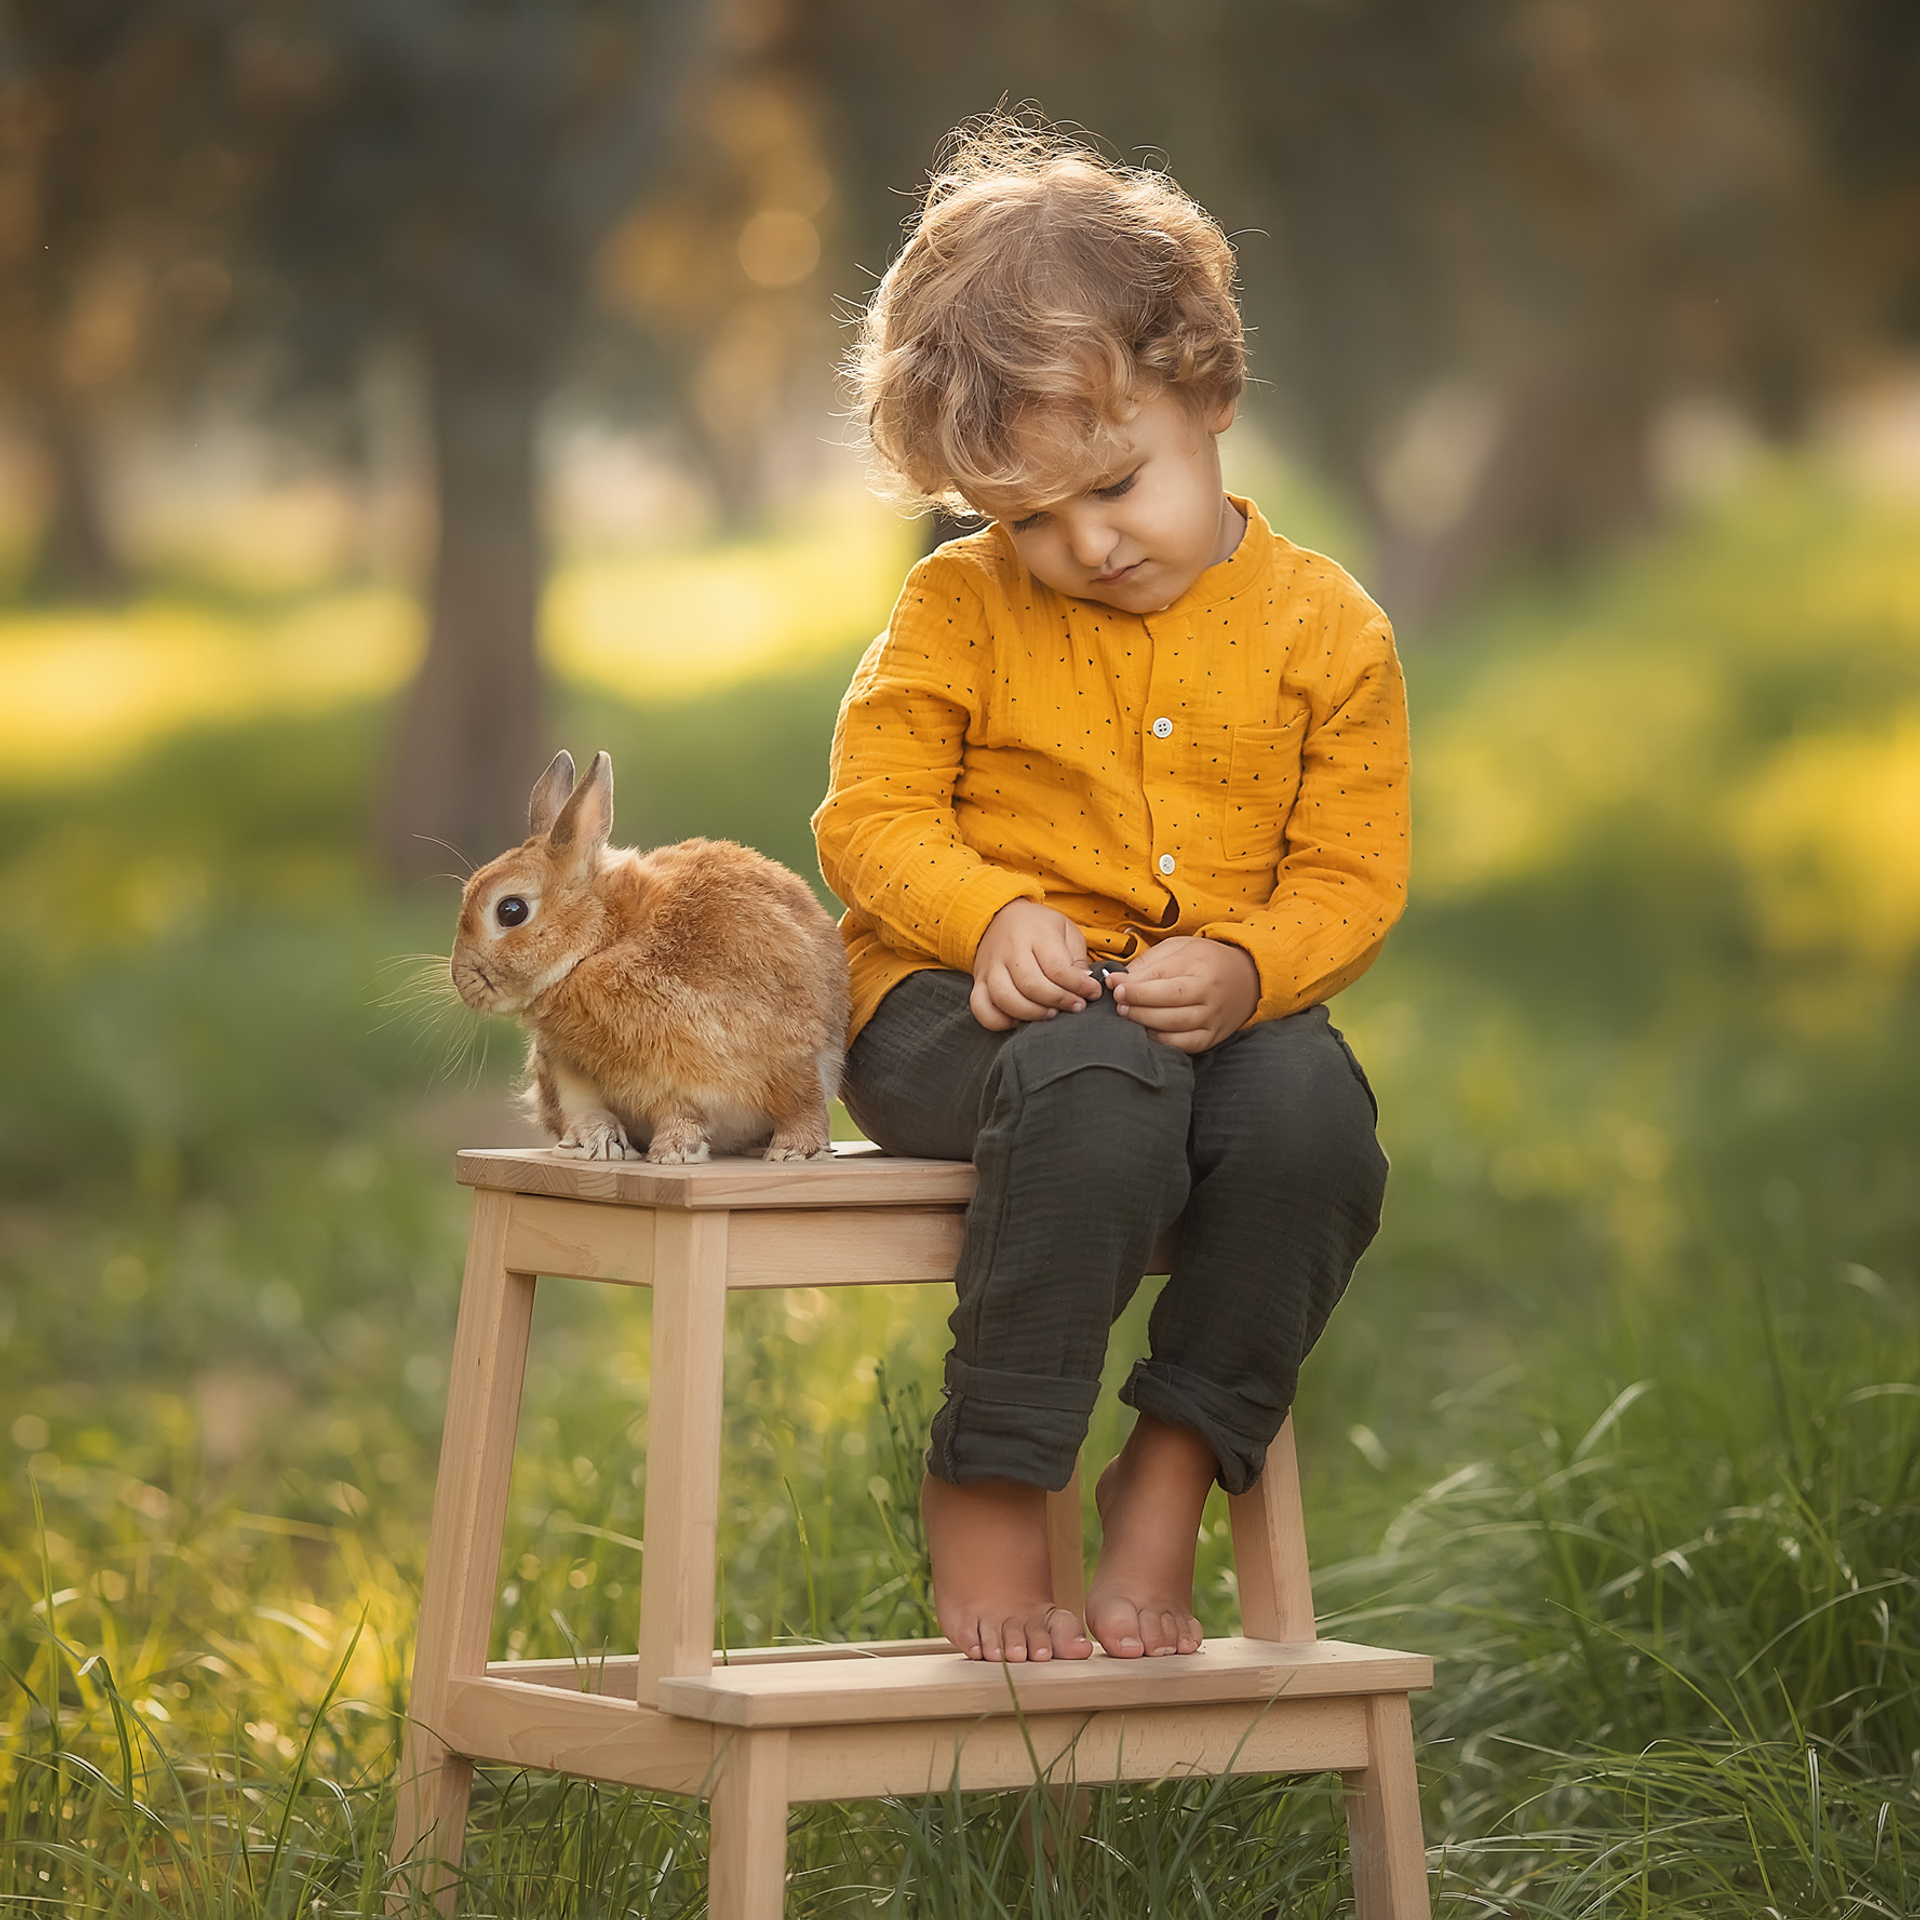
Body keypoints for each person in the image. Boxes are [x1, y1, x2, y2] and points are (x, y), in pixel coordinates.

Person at [812, 118, 1409, 1666]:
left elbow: (1349, 871)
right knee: (1091, 1078)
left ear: (1208, 394)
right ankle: (997, 1479)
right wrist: (983, 913)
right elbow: (869, 815)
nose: (1082, 545)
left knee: (1312, 1121)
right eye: (1023, 520)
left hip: (1208, 1011)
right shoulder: (954, 610)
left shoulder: (1327, 631)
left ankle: (1169, 1474)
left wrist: (1254, 968)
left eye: (1115, 485)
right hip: (958, 1018)